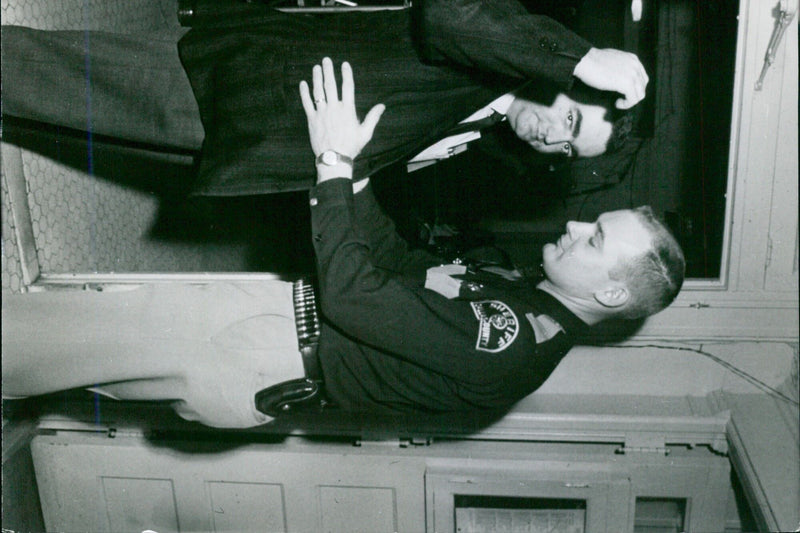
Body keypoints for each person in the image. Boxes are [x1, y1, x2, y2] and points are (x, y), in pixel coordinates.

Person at [1, 60, 683, 429]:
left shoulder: (511, 341)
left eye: (594, 237)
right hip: (266, 331)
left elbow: (357, 297)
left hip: (261, 344)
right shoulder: (519, 296)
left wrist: (329, 165)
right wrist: (352, 179)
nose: (571, 226)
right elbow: (398, 265)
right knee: (60, 349)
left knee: (35, 341)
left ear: (613, 290)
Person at [1, 0, 647, 196]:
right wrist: (584, 57)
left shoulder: (482, 120)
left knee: (66, 107)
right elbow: (447, 11)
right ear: (570, 84)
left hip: (249, 136)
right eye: (570, 120)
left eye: (566, 150)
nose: (549, 138)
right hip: (238, 87)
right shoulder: (497, 56)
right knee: (52, 77)